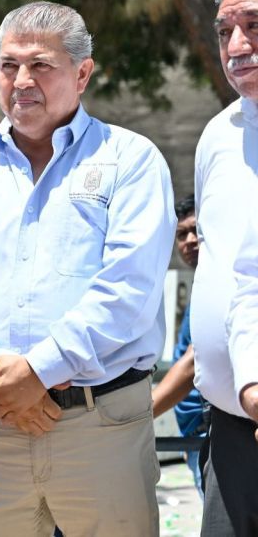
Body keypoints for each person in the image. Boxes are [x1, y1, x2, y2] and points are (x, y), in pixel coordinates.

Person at [0, 1, 175, 536]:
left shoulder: (130, 160)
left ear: (83, 73)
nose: (22, 81)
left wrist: (37, 371)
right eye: (9, 66)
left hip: (100, 429)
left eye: (41, 65)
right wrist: (1, 385)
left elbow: (128, 290)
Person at [192, 0, 258, 535]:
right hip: (230, 427)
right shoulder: (217, 135)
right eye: (224, 31)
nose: (236, 46)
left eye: (253, 26)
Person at [151, 194, 205, 495]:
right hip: (196, 436)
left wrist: (137, 417)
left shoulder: (222, 285)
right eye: (182, 234)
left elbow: (193, 363)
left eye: (197, 229)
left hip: (212, 434)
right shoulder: (201, 287)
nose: (190, 240)